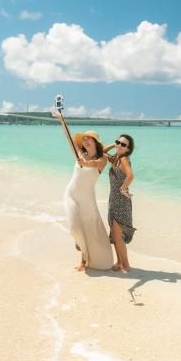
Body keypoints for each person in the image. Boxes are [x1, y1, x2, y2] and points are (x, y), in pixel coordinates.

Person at [52, 111, 114, 271]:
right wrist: (61, 119)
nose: (85, 141)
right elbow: (70, 138)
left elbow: (93, 164)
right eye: (84, 139)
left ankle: (84, 262)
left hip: (87, 199)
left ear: (95, 142)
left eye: (88, 139)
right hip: (71, 194)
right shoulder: (80, 154)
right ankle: (79, 244)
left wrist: (84, 163)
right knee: (74, 227)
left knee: (88, 230)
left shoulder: (103, 159)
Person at [103, 134, 136, 272]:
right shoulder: (116, 159)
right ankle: (119, 263)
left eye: (123, 145)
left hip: (121, 202)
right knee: (115, 236)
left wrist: (123, 188)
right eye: (118, 142)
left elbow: (131, 176)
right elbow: (102, 152)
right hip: (114, 200)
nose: (119, 145)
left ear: (128, 149)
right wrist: (115, 145)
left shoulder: (123, 159)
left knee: (118, 236)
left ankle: (126, 265)